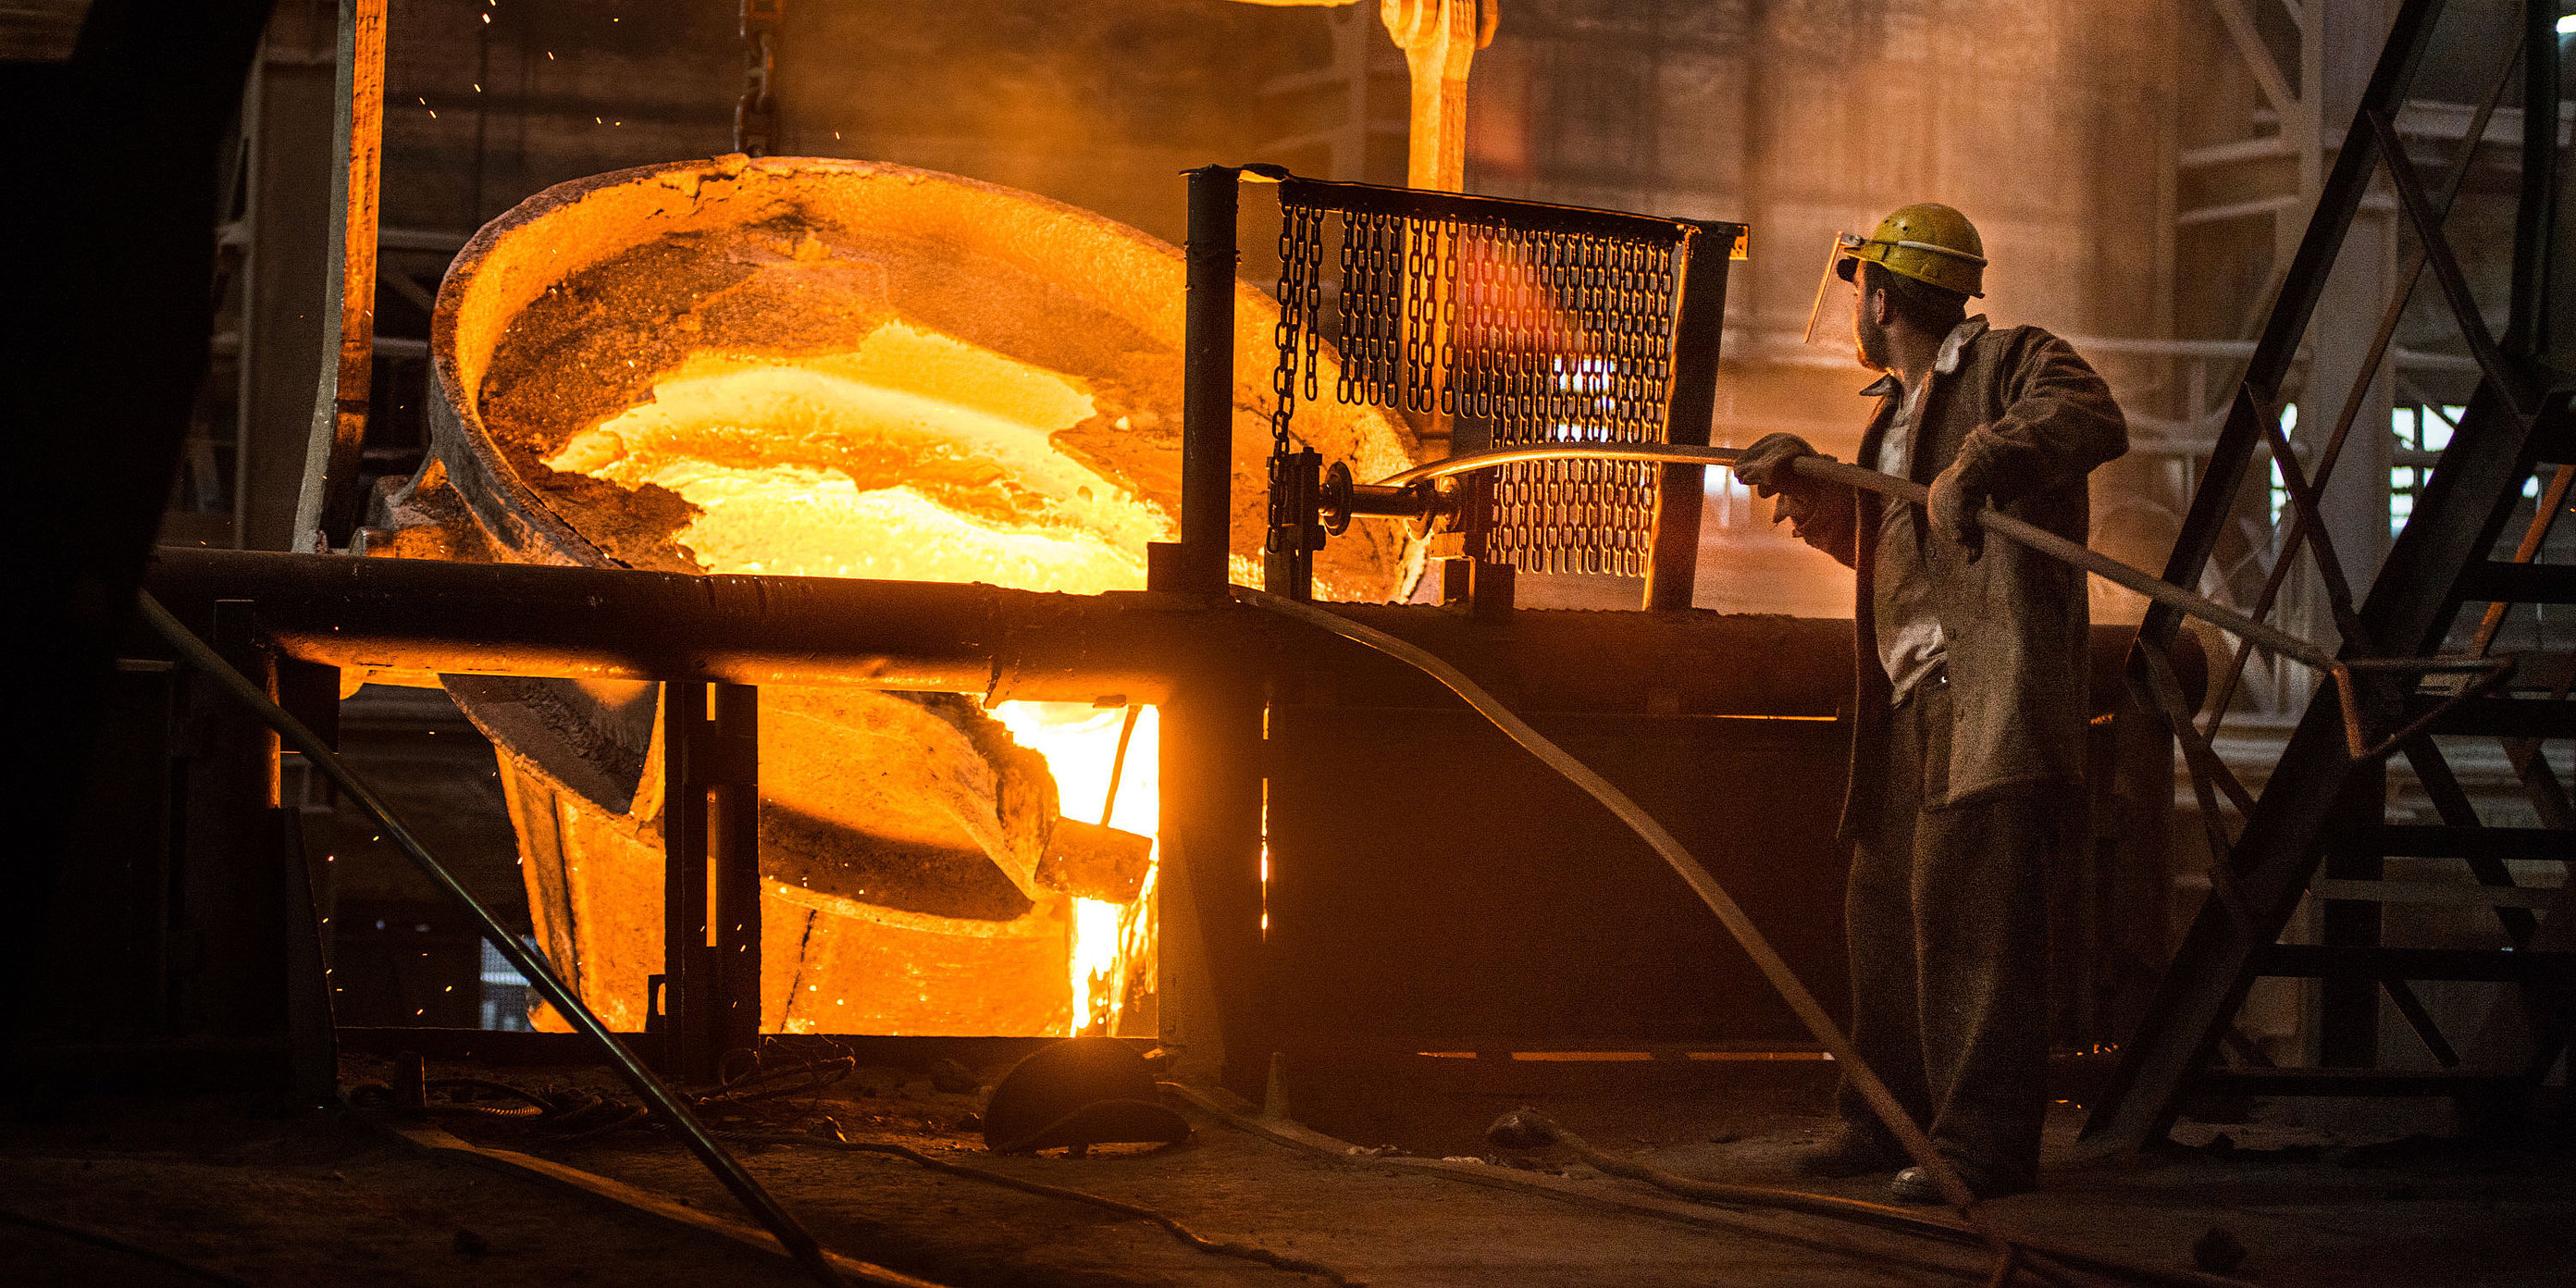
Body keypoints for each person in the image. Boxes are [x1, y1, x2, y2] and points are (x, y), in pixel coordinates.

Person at [1731, 204, 2126, 1203]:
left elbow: (2091, 414)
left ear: (1887, 294)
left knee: (1975, 928)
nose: (1854, 308)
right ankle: (1882, 1119)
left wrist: (1988, 459)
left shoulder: (2011, 364)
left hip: (1983, 694)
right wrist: (1822, 491)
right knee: (1885, 916)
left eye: (1862, 290)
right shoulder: (1892, 413)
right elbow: (1900, 555)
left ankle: (1983, 1147)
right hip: (1908, 703)